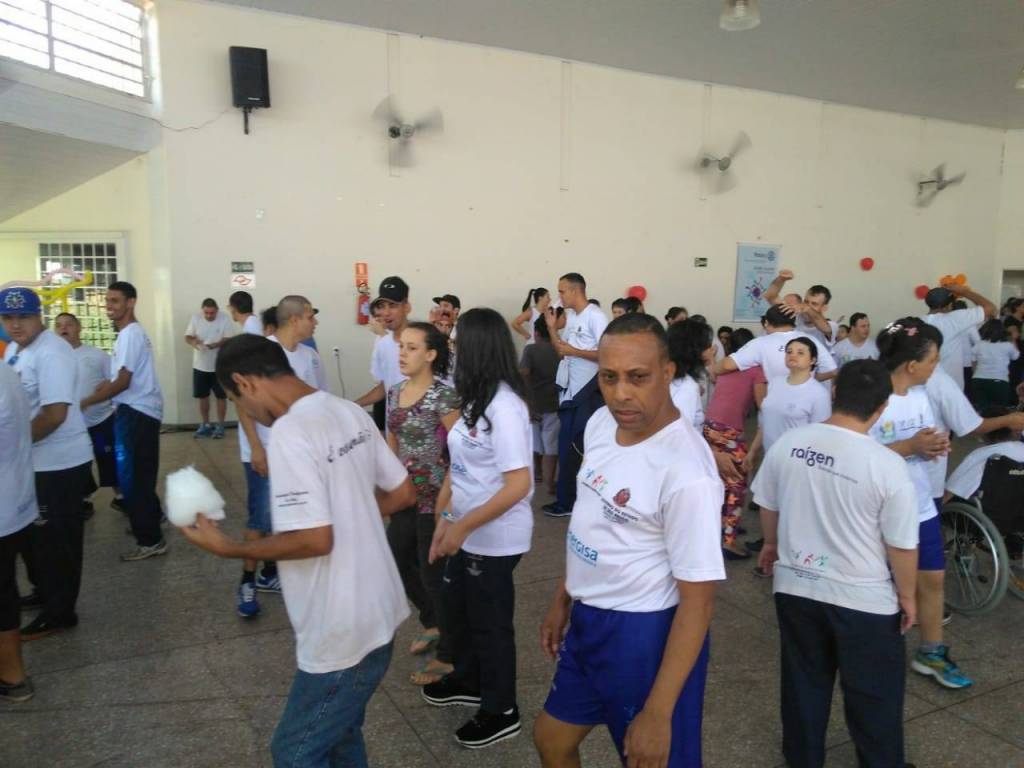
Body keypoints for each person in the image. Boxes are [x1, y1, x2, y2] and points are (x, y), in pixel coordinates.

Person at [180, 334, 416, 768]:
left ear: (244, 383)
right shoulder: (345, 409)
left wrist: (229, 548)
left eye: (237, 401)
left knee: (294, 752)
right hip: (378, 610)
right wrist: (351, 512)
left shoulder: (290, 431)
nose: (248, 414)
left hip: (341, 628)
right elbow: (403, 493)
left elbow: (314, 539)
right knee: (340, 738)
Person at [533, 312, 724, 768]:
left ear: (667, 372)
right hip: (589, 620)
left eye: (638, 377)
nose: (621, 393)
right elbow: (590, 521)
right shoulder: (602, 423)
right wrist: (564, 597)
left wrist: (659, 712)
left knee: (645, 756)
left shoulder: (688, 473)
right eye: (609, 377)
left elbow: (699, 602)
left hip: (643, 635)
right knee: (551, 739)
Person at [752, 360, 919, 768]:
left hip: (796, 587)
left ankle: (802, 759)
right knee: (874, 695)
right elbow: (900, 545)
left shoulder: (790, 443)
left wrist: (771, 544)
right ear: (882, 407)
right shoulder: (887, 464)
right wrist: (908, 596)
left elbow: (767, 503)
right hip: (863, 599)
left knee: (803, 683)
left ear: (834, 392)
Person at [421, 308, 534, 749]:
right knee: (458, 607)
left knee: (490, 623)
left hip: (496, 536)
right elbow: (461, 465)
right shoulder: (473, 398)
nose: (451, 350)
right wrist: (445, 518)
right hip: (466, 528)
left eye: (456, 343)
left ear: (476, 348)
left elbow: (519, 484)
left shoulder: (505, 407)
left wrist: (462, 526)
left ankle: (501, 709)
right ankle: (469, 680)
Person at [869, 318, 973, 691]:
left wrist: (933, 446)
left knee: (933, 579)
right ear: (912, 365)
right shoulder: (872, 399)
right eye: (933, 361)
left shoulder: (919, 395)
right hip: (880, 510)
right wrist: (910, 446)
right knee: (881, 585)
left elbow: (924, 437)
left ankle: (931, 651)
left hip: (921, 503)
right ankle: (875, 653)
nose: (936, 367)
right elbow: (856, 452)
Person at [1, 287, 94, 640]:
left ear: (38, 316)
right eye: (8, 318)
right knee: (34, 538)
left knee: (57, 542)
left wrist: (14, 445)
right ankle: (44, 592)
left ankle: (60, 612)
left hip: (59, 464)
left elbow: (54, 415)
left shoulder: (52, 352)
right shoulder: (15, 349)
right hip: (32, 462)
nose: (15, 325)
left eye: (23, 317)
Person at [385, 322, 461, 685]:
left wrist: (450, 503)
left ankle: (449, 655)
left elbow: (462, 452)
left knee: (433, 575)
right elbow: (392, 441)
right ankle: (432, 622)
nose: (402, 353)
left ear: (431, 354)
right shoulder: (394, 392)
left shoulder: (444, 396)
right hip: (404, 496)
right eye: (401, 346)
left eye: (412, 348)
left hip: (435, 497)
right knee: (397, 560)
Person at [81, 281, 166, 562]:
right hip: (139, 410)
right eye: (107, 301)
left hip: (135, 412)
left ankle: (150, 540)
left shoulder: (130, 334)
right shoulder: (130, 334)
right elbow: (122, 377)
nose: (109, 306)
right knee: (139, 473)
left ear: (131, 302)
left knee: (131, 479)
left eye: (115, 301)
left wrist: (88, 401)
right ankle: (151, 520)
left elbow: (124, 381)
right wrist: (106, 385)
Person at [542, 273, 609, 518]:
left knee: (577, 447)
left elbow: (607, 354)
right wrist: (552, 328)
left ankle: (573, 501)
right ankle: (566, 499)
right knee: (566, 446)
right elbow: (562, 351)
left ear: (574, 291)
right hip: (569, 390)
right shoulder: (570, 317)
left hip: (587, 391)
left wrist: (575, 351)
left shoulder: (596, 316)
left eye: (561, 291)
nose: (559, 296)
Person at [233, 298, 282, 619]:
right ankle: (247, 581)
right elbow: (241, 404)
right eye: (308, 316)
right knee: (260, 517)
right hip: (261, 451)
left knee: (281, 515)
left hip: (289, 451)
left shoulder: (305, 356)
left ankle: (269, 572)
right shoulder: (258, 359)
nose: (314, 321)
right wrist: (256, 448)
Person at [54, 313, 122, 518]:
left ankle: (122, 497)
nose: (63, 328)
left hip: (99, 422)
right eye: (58, 325)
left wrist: (106, 386)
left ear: (79, 328)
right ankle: (83, 500)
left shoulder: (96, 355)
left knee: (107, 457)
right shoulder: (52, 359)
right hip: (70, 426)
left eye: (68, 324)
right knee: (77, 462)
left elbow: (117, 378)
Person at [703, 327, 764, 556]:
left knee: (719, 479)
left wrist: (712, 359)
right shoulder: (756, 370)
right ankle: (729, 540)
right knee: (737, 484)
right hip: (730, 431)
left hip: (710, 426)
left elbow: (712, 377)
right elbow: (763, 405)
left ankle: (721, 526)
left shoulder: (725, 365)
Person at [0, 364, 38, 701]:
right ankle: (13, 676)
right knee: (4, 588)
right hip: (12, 501)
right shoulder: (6, 371)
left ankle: (12, 676)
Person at [714, 305, 838, 383]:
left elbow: (727, 365)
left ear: (766, 323)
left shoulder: (761, 343)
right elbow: (832, 371)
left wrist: (712, 369)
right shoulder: (810, 339)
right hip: (807, 402)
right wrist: (808, 380)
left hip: (775, 402)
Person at [921, 283, 996, 390]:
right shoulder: (955, 319)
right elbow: (991, 308)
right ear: (950, 305)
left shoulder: (919, 322)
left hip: (924, 385)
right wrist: (965, 292)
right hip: (951, 386)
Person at [355, 277, 410, 416]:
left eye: (392, 305)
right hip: (391, 422)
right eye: (382, 306)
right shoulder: (382, 342)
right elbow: (385, 385)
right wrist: (354, 404)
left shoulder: (421, 340)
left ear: (406, 307)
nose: (386, 313)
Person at [945, 406, 1024, 501]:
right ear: (1016, 431)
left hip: (990, 506)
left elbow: (952, 491)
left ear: (985, 432)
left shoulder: (983, 454)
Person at [520, 316, 562, 497]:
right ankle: (549, 483)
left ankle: (536, 473)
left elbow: (524, 373)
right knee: (551, 446)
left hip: (533, 403)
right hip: (554, 403)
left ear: (536, 333)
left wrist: (526, 400)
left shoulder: (530, 350)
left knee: (534, 443)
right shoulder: (560, 350)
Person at [185, 298, 233, 439]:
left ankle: (221, 426)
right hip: (200, 365)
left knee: (221, 396)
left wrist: (215, 345)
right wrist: (193, 342)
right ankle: (205, 424)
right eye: (206, 313)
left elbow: (228, 338)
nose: (209, 315)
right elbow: (187, 337)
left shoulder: (224, 319)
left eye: (212, 313)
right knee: (202, 396)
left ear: (217, 310)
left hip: (219, 365)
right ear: (203, 310)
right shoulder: (196, 318)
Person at [763, 270, 838, 347]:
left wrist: (807, 308)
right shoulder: (794, 316)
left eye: (814, 304)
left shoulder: (832, 326)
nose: (808, 306)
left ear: (824, 308)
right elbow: (771, 297)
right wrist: (781, 279)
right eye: (806, 301)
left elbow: (825, 328)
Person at [666, 319, 712, 429]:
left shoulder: (670, 377)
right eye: (707, 347)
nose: (712, 351)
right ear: (693, 350)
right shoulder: (686, 388)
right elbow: (679, 431)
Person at [971, 318, 1019, 411]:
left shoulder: (979, 345)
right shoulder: (1007, 345)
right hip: (999, 381)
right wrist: (1013, 339)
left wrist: (976, 375)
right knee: (999, 412)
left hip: (978, 380)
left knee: (983, 411)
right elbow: (1016, 356)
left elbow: (973, 362)